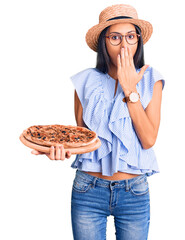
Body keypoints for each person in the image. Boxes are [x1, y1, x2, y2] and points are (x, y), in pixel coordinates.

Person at [32, 4, 165, 240]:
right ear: (104, 42)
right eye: (115, 37)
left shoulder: (150, 79)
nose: (124, 45)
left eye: (130, 37)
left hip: (134, 191)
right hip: (88, 189)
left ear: (138, 41)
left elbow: (148, 139)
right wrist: (58, 149)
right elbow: (85, 140)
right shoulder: (85, 81)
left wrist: (129, 87)